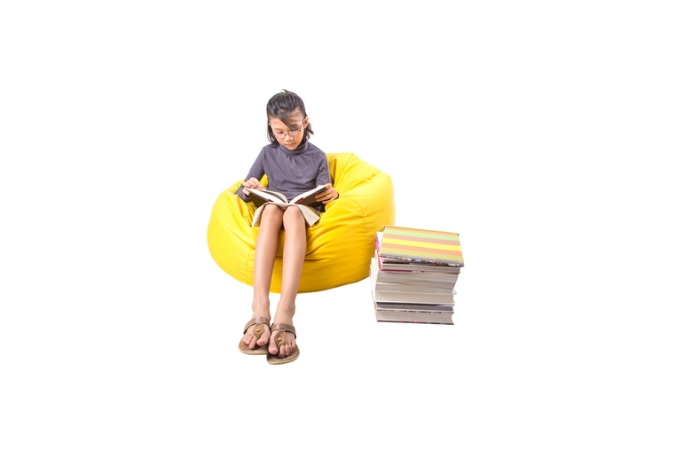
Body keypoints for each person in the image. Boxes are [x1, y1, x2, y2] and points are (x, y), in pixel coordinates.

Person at [234, 89, 339, 364]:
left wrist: (333, 195)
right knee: (270, 211)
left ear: (305, 122)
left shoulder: (318, 157)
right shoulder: (267, 154)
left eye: (293, 129)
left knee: (292, 213)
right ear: (270, 128)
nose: (287, 137)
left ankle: (286, 310)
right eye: (279, 132)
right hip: (274, 204)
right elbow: (242, 191)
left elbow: (326, 196)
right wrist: (252, 187)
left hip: (300, 210)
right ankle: (260, 306)